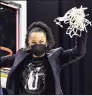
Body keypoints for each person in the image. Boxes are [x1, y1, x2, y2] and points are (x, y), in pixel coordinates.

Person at [0, 21, 87, 95]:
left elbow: (79, 52)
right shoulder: (20, 56)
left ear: (47, 42)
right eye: (33, 42)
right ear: (28, 43)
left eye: (41, 41)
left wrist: (81, 30)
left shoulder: (56, 57)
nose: (37, 45)